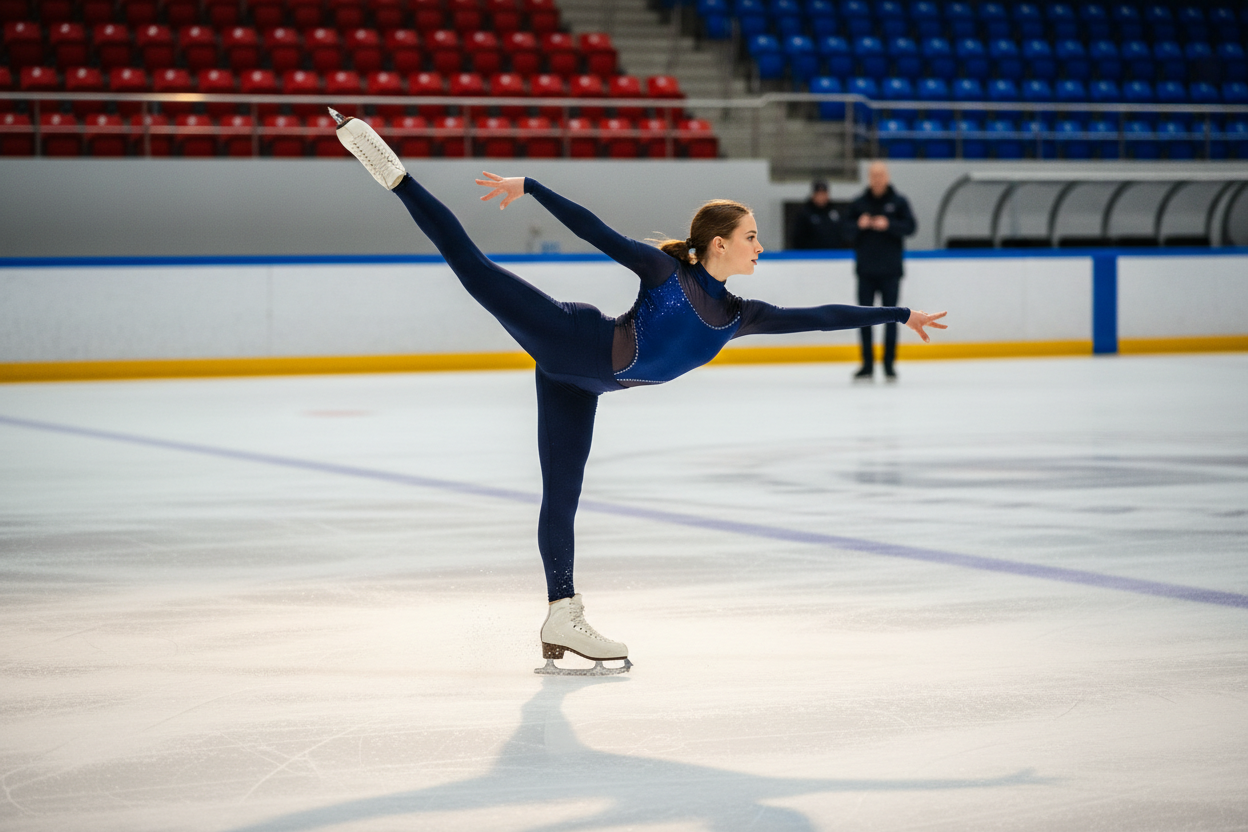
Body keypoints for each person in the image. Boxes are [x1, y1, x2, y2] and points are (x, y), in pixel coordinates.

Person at [329, 110, 947, 676]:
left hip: (583, 383)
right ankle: (394, 172)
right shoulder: (666, 274)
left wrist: (898, 315)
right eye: (752, 235)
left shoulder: (741, 314)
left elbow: (818, 316)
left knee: (562, 495)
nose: (761, 245)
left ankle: (560, 614)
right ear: (719, 244)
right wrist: (533, 188)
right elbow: (599, 233)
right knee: (472, 265)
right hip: (572, 338)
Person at [844, 161, 917, 383]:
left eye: (881, 175)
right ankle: (867, 364)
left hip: (891, 272)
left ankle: (889, 365)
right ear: (869, 177)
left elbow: (911, 227)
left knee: (892, 318)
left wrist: (889, 224)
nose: (877, 179)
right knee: (863, 319)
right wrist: (860, 224)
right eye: (873, 175)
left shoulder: (899, 202)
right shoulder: (859, 203)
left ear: (887, 176)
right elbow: (844, 231)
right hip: (866, 271)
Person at [789, 180, 844, 250]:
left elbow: (842, 233)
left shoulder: (835, 212)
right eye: (819, 194)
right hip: (812, 256)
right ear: (813, 195)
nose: (821, 197)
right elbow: (797, 238)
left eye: (824, 194)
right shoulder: (805, 214)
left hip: (834, 256)